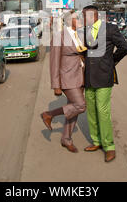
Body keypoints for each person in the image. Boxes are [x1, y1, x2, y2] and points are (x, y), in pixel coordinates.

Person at [81, 5, 127, 162]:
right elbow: (83, 51)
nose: (83, 19)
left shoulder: (110, 28)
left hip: (104, 76)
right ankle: (97, 141)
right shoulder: (84, 31)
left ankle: (109, 146)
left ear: (93, 16)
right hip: (88, 76)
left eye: (84, 16)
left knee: (102, 111)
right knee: (92, 111)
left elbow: (124, 47)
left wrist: (112, 61)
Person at [41, 10, 87, 153]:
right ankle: (49, 114)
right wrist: (56, 85)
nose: (80, 20)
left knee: (73, 110)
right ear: (68, 21)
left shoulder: (80, 35)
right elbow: (54, 62)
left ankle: (66, 139)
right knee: (80, 105)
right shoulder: (58, 37)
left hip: (81, 76)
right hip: (67, 78)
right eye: (76, 18)